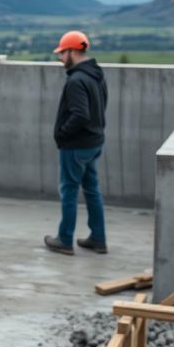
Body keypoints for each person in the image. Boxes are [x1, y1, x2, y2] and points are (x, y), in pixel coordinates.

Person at [44, 30, 109, 256]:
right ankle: (98, 240)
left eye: (62, 53)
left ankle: (64, 240)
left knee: (69, 192)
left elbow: (80, 115)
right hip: (94, 142)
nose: (61, 58)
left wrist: (62, 133)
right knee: (92, 190)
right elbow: (102, 106)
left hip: (76, 146)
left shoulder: (76, 80)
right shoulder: (96, 75)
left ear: (72, 51)